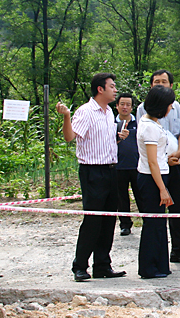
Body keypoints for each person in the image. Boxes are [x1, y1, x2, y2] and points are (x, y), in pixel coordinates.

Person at [56, 73, 127, 282]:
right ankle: (80, 266)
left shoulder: (108, 113)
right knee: (93, 220)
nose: (115, 90)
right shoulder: (85, 112)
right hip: (92, 172)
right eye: (112, 86)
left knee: (108, 219)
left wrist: (118, 138)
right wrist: (66, 116)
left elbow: (100, 140)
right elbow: (69, 137)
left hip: (111, 170)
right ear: (100, 89)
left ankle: (102, 265)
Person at [138, 70, 180, 264]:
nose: (160, 84)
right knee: (156, 214)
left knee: (177, 208)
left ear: (171, 85)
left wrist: (178, 153)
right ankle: (154, 260)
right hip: (156, 168)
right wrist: (164, 158)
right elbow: (149, 149)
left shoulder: (176, 106)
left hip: (175, 164)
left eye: (164, 81)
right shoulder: (143, 111)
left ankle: (179, 251)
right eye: (156, 82)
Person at [136, 85, 176, 278]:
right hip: (152, 179)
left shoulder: (152, 123)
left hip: (159, 174)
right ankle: (149, 267)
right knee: (153, 225)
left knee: (160, 224)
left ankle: (160, 265)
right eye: (169, 105)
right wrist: (162, 188)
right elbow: (152, 161)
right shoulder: (149, 127)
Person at [115, 93, 139, 236]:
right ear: (117, 106)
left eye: (128, 105)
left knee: (141, 196)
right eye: (122, 104)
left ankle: (147, 220)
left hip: (137, 166)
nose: (125, 107)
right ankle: (125, 224)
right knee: (121, 198)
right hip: (118, 166)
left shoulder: (139, 123)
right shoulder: (112, 123)